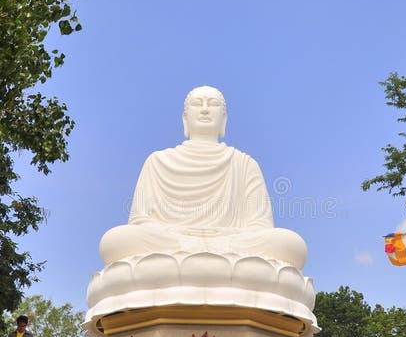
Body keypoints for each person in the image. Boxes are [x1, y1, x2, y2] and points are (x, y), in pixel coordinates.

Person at [99, 86, 307, 269]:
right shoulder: (157, 161)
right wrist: (179, 237)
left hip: (231, 243)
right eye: (197, 104)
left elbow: (260, 226)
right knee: (116, 241)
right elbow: (139, 221)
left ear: (224, 119)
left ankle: (198, 256)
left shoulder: (244, 163)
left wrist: (224, 240)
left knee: (290, 245)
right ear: (185, 118)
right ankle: (200, 255)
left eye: (213, 104)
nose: (205, 109)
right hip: (172, 241)